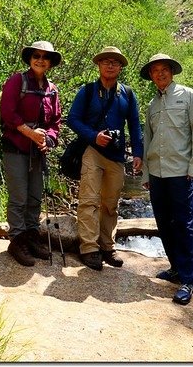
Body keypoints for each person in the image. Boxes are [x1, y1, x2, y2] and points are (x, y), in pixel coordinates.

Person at [67, 46, 144, 271]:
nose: (110, 65)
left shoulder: (127, 94)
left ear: (120, 67)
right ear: (99, 65)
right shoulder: (88, 91)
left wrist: (137, 153)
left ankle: (107, 246)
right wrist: (93, 135)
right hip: (92, 151)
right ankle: (89, 248)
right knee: (89, 200)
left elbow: (135, 125)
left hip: (117, 155)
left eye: (115, 62)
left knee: (110, 204)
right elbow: (72, 119)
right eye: (106, 61)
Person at [140, 53, 193, 305]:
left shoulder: (188, 95)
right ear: (151, 76)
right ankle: (176, 269)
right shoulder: (151, 106)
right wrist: (145, 172)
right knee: (164, 223)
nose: (160, 74)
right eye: (155, 70)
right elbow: (147, 139)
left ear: (172, 72)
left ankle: (188, 280)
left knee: (184, 224)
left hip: (180, 171)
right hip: (156, 172)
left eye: (164, 69)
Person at [0, 41, 63, 266]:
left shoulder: (52, 90)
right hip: (15, 147)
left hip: (38, 151)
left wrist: (48, 139)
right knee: (18, 197)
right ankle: (17, 240)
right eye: (36, 55)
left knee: (35, 196)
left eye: (45, 57)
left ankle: (32, 236)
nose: (40, 60)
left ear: (50, 63)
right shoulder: (17, 81)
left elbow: (56, 122)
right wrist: (29, 133)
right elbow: (7, 112)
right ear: (30, 58)